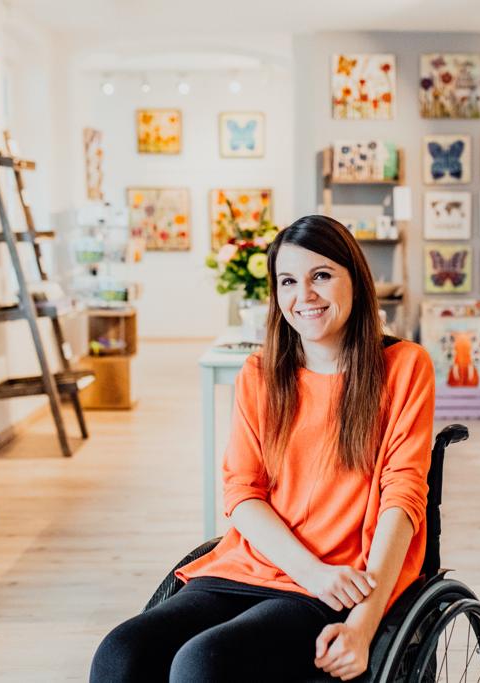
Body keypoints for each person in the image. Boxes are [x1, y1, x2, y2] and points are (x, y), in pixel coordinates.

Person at [90, 215, 436, 682]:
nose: (304, 296)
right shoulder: (260, 373)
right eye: (288, 281)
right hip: (254, 566)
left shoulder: (403, 368)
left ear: (356, 279)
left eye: (322, 276)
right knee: (120, 654)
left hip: (335, 588)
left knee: (201, 665)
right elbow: (242, 493)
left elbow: (403, 498)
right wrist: (308, 569)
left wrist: (362, 625)